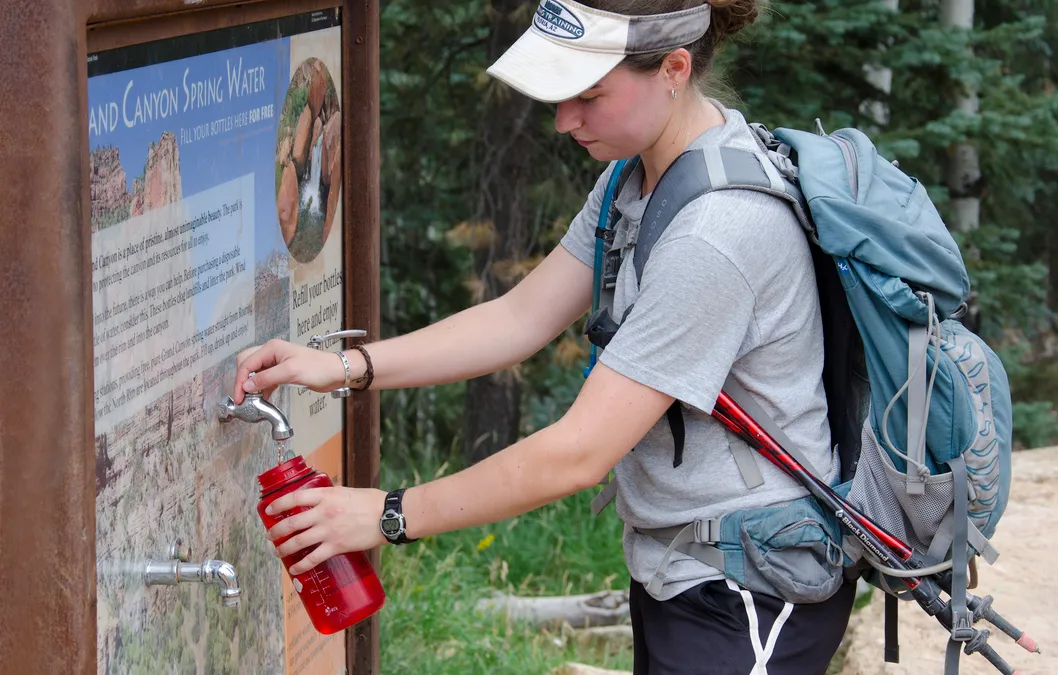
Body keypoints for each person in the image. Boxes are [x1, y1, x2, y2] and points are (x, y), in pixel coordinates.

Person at [234, 0, 855, 671]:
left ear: (675, 68)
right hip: (684, 566)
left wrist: (388, 514)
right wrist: (348, 366)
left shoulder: (718, 233)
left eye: (588, 96)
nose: (564, 120)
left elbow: (577, 452)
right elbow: (520, 316)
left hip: (749, 587)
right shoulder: (637, 176)